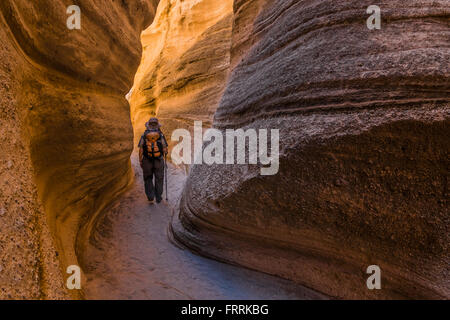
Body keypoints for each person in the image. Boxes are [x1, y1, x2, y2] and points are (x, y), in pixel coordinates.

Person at [138, 118, 168, 204]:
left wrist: (140, 160)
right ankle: (158, 198)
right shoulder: (160, 135)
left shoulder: (144, 135)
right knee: (159, 178)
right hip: (158, 160)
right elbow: (165, 149)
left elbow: (141, 149)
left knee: (148, 178)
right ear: (157, 125)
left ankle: (150, 197)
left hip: (147, 160)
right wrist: (164, 153)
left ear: (148, 125)